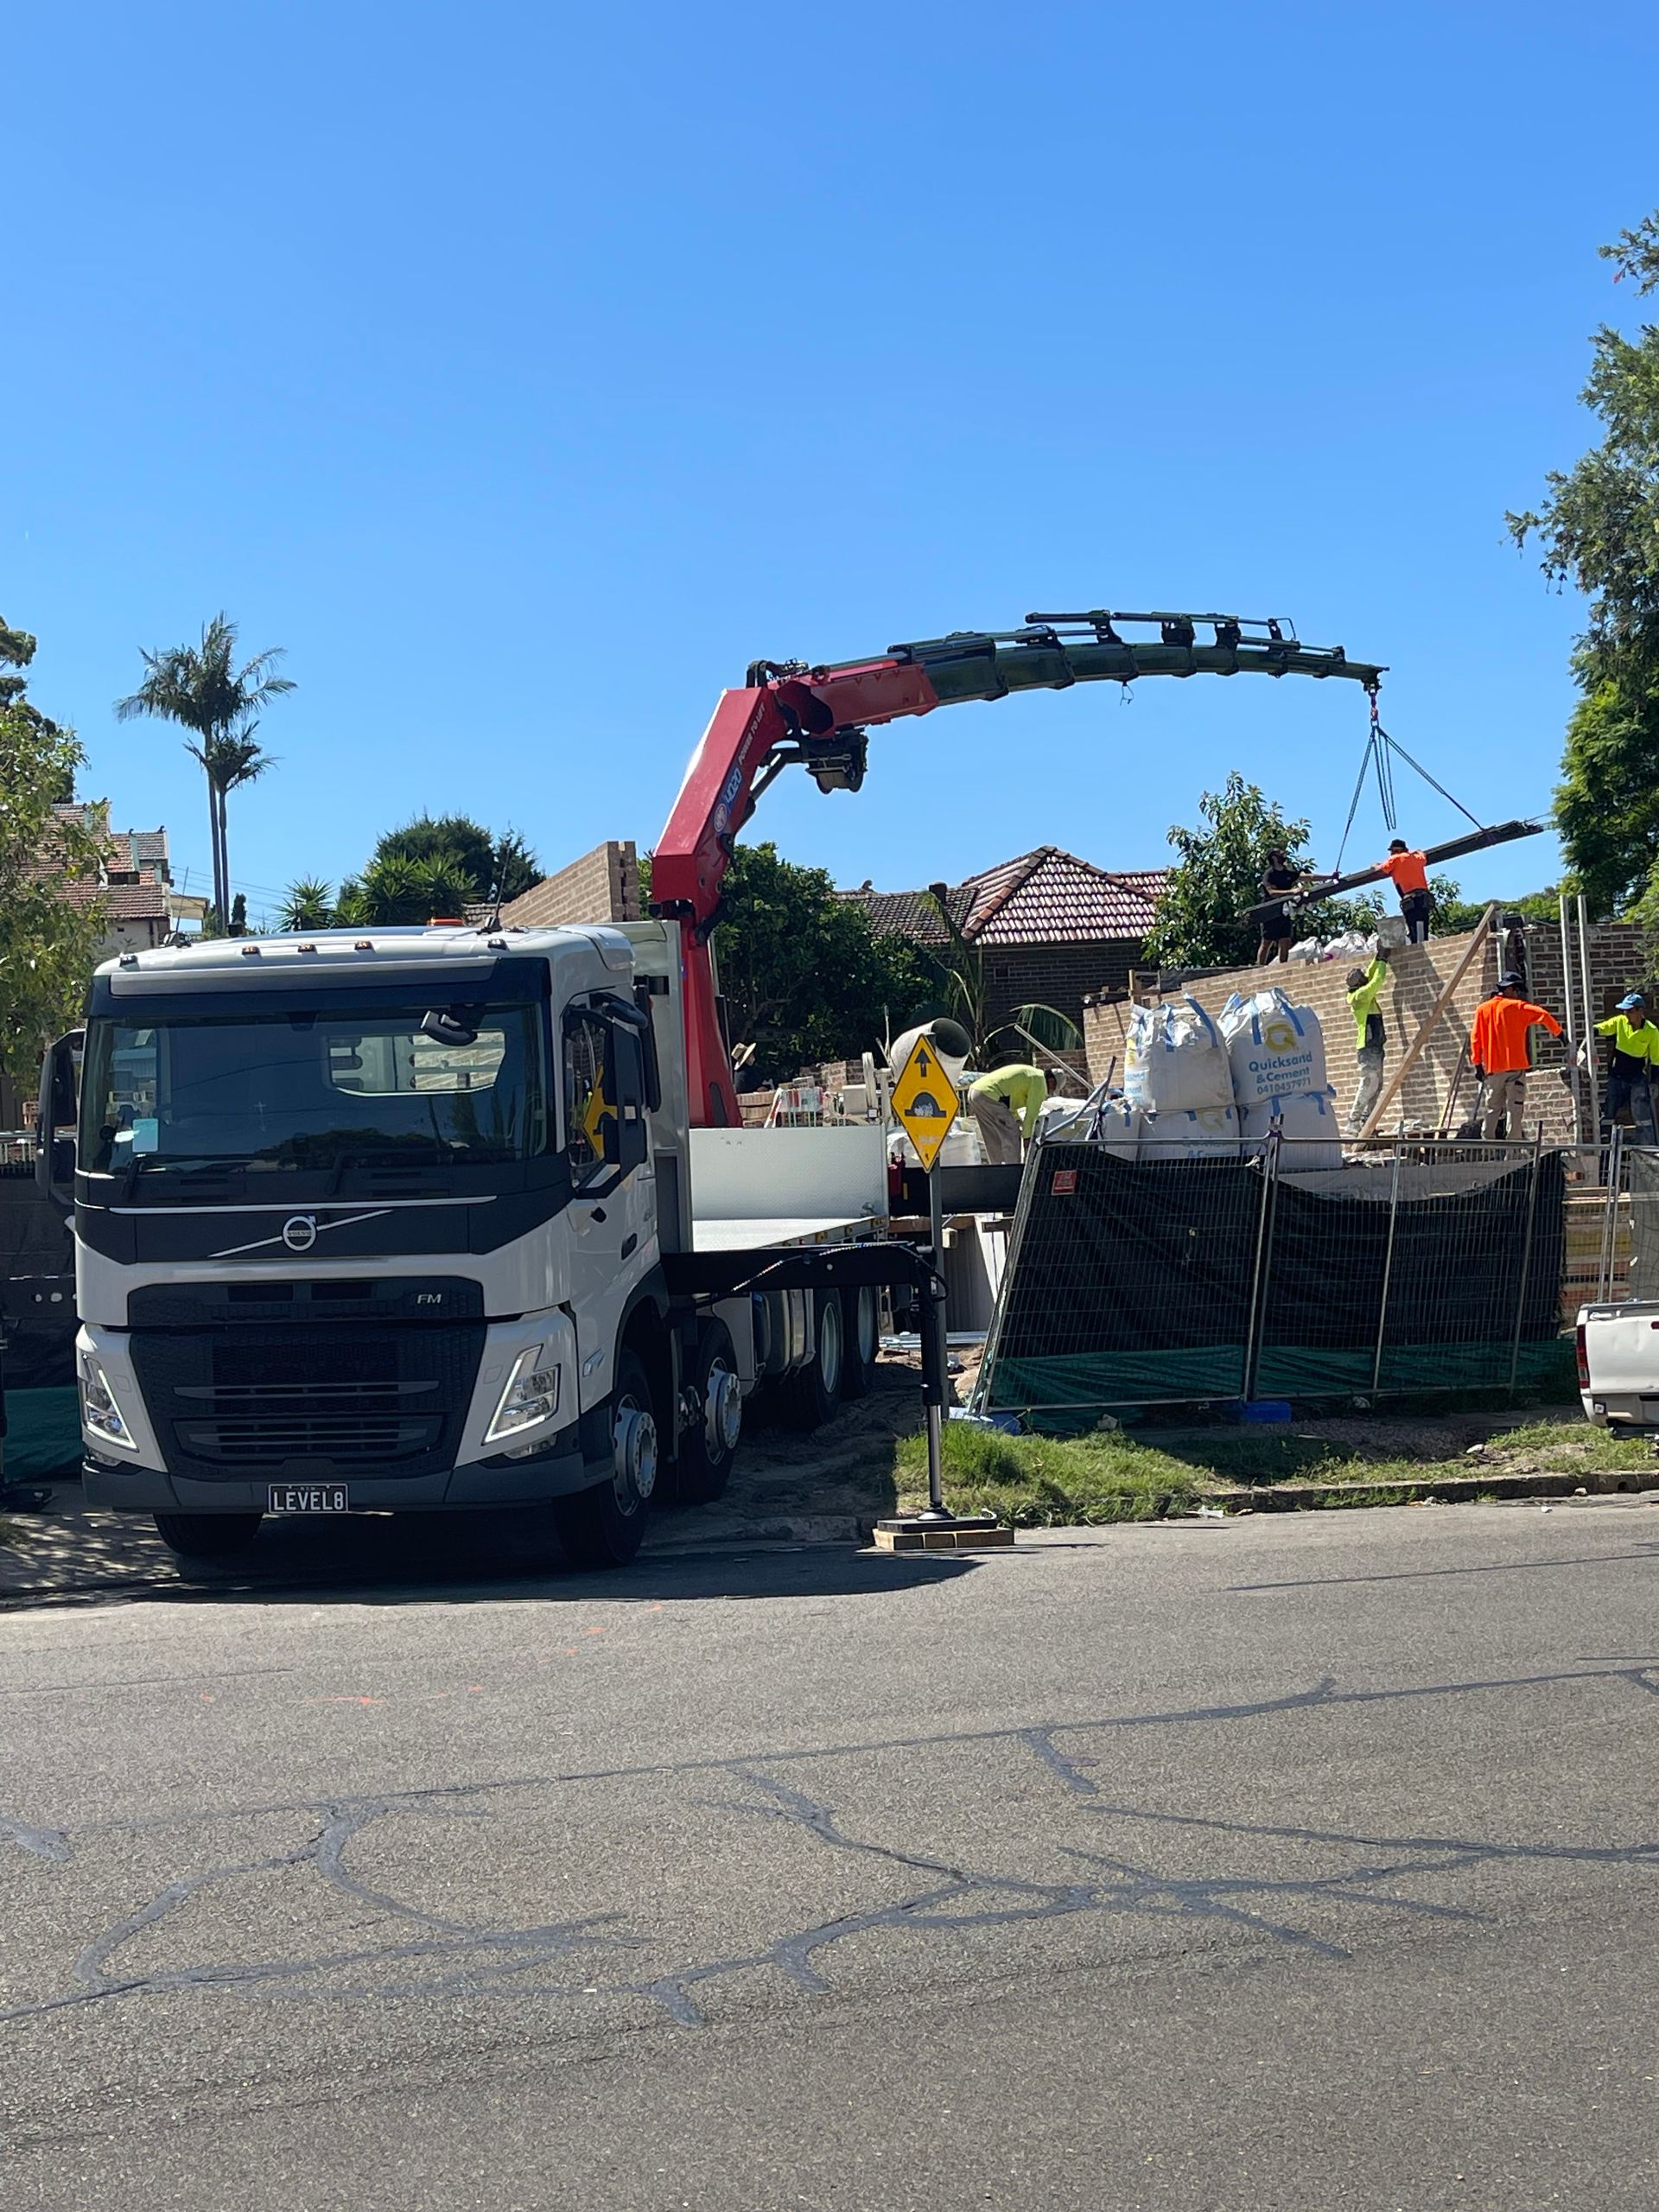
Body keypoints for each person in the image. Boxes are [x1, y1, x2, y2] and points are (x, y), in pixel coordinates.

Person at [1469, 971, 1562, 1140]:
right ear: (1510, 989)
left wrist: (1477, 1064)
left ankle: (1487, 1144)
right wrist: (1561, 1035)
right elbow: (1544, 1015)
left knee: (1493, 1108)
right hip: (1516, 1067)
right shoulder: (1518, 1007)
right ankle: (1513, 1148)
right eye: (1517, 990)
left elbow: (1475, 1039)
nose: (1518, 994)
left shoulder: (1482, 1010)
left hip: (1494, 1069)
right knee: (1515, 1108)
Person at [1591, 991, 1659, 1144]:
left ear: (1640, 1011)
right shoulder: (1620, 1022)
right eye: (1624, 1010)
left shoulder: (1652, 1032)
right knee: (1609, 1112)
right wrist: (1592, 1031)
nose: (1625, 1013)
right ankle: (1605, 1149)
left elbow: (1656, 1060)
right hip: (1616, 1077)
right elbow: (1602, 1028)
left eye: (1629, 1010)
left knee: (1642, 1115)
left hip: (1637, 1079)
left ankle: (1648, 1153)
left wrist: (1654, 1082)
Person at [966, 1063, 1057, 1164]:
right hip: (989, 1095)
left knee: (992, 1136)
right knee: (1013, 1133)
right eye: (1052, 1090)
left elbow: (1009, 1103)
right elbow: (1031, 1114)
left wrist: (1017, 1120)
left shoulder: (1031, 1074)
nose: (1049, 1093)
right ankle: (1013, 1169)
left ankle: (997, 1169)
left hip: (976, 1092)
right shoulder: (1039, 1081)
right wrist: (1027, 1137)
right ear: (1052, 1082)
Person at [1344, 945, 1391, 1135]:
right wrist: (1383, 961)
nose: (1366, 978)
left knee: (1377, 1086)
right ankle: (1353, 1122)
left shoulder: (1361, 992)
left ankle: (1367, 1123)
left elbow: (1372, 974)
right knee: (1369, 1084)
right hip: (1368, 1047)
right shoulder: (1360, 996)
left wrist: (1378, 958)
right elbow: (1377, 980)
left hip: (1375, 1046)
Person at [1255, 848, 1310, 965]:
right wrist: (1292, 891)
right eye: (1280, 853)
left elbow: (1308, 877)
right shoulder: (1269, 874)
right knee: (1267, 942)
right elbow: (1272, 893)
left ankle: (1283, 967)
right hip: (1269, 911)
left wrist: (1331, 877)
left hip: (1284, 911)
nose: (1283, 855)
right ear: (1274, 858)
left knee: (1285, 940)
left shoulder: (1287, 873)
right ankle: (1258, 968)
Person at [1378, 839, 1432, 944]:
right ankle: (1422, 944)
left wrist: (1374, 865)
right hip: (1423, 896)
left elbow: (1382, 869)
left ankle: (1417, 947)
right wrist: (1417, 851)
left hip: (1410, 897)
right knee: (1423, 924)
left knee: (1413, 925)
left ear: (1396, 850)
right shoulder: (1417, 858)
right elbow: (1422, 855)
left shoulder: (1396, 858)